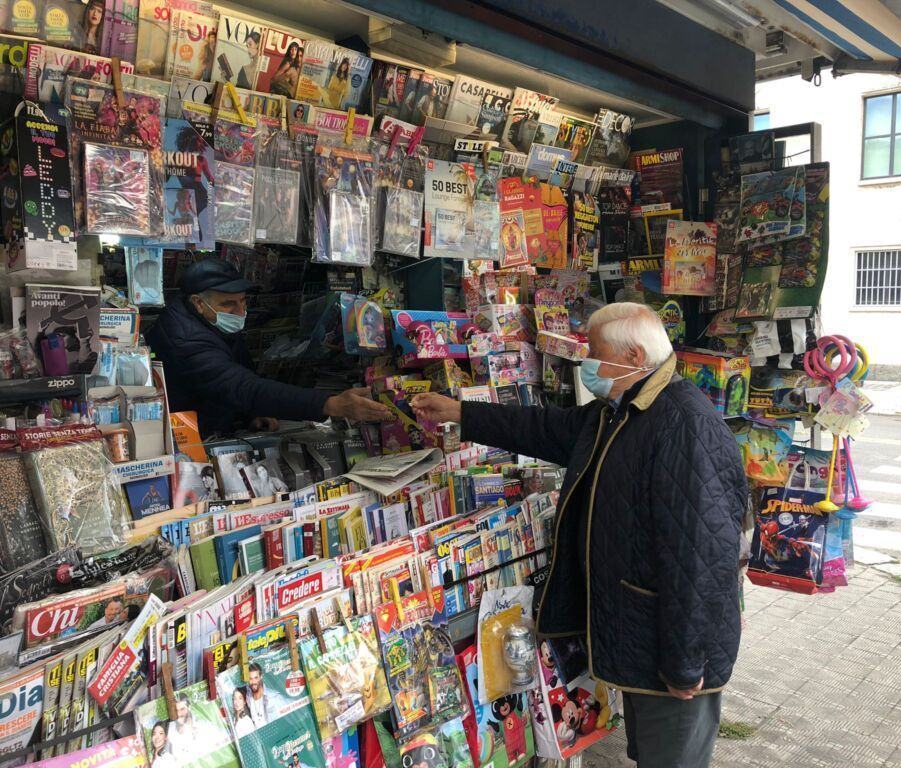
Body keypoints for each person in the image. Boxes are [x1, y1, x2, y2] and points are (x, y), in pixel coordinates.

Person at [411, 302, 746, 768]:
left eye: (595, 351)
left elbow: (702, 562)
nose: (586, 363)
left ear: (632, 356)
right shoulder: (620, 410)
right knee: (651, 754)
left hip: (672, 650)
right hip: (641, 638)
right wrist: (460, 413)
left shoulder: (685, 427)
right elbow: (545, 428)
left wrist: (686, 665)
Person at [146, 259, 392, 437]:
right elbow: (240, 386)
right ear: (198, 303)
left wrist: (252, 413)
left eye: (243, 301)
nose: (241, 312)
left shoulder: (210, 320)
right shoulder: (185, 339)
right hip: (191, 436)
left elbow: (241, 374)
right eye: (229, 304)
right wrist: (329, 403)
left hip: (219, 422)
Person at [245, 662, 274, 727]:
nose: (253, 682)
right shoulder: (248, 698)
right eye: (250, 678)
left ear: (261, 677)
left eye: (256, 678)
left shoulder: (272, 697)